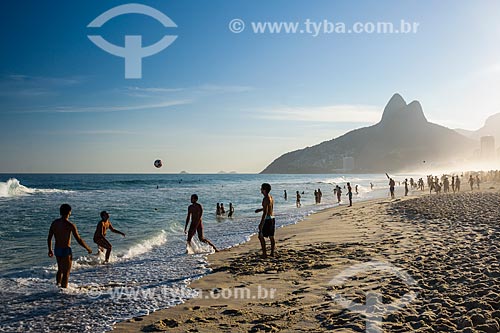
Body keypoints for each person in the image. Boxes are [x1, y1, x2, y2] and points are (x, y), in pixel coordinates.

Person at [47, 204, 92, 288]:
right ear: (69, 212)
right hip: (66, 250)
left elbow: (49, 237)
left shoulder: (55, 223)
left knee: (60, 270)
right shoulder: (70, 225)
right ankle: (63, 291)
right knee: (66, 272)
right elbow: (78, 239)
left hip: (57, 249)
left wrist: (50, 249)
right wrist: (87, 248)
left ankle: (57, 287)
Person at [255, 183, 275, 258]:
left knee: (260, 236)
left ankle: (264, 254)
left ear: (264, 190)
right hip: (272, 217)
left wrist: (261, 224)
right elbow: (268, 208)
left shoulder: (265, 199)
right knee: (271, 236)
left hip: (267, 219)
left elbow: (265, 213)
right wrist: (260, 209)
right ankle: (272, 253)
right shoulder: (270, 197)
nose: (260, 189)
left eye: (261, 188)